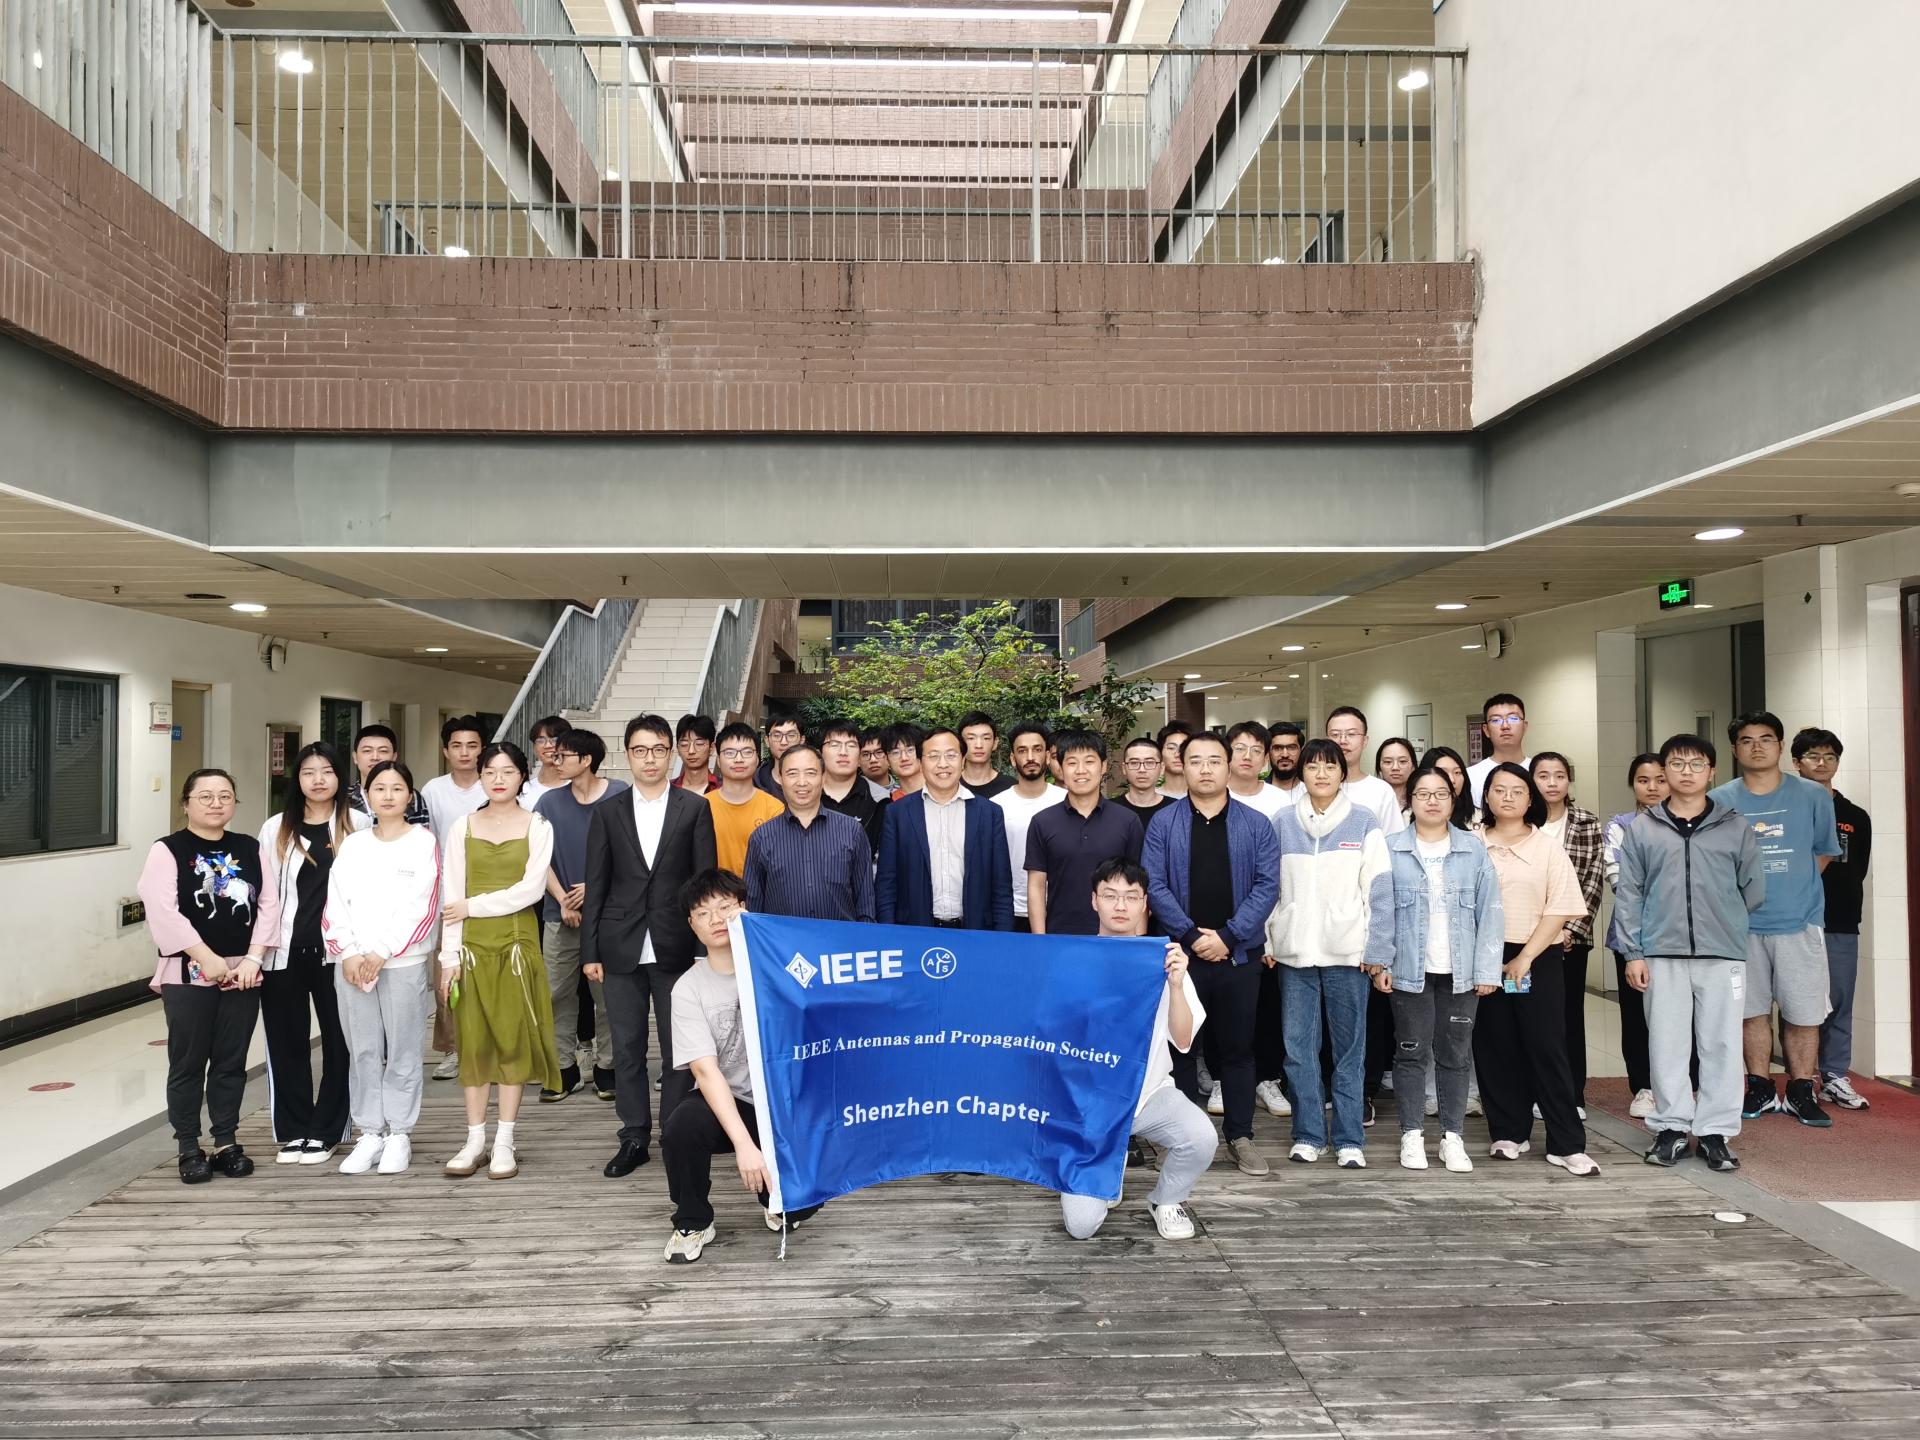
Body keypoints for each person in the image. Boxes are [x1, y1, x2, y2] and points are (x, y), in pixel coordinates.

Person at [1614, 734, 1765, 1173]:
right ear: (1665, 772)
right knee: (1667, 1043)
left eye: (1696, 764)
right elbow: (1630, 894)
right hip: (1661, 954)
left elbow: (1753, 888)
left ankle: (1716, 1132)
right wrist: (1634, 952)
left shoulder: (1735, 826)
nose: (1686, 772)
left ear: (1712, 772)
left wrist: (1724, 920)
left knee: (1722, 1043)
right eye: (1677, 764)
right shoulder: (1644, 828)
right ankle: (1671, 1127)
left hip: (1722, 954)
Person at [582, 714, 719, 1178]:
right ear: (628, 755)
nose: (650, 759)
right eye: (640, 750)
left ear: (671, 753)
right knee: (627, 1047)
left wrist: (704, 949)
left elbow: (703, 884)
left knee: (681, 1048)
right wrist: (590, 951)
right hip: (619, 945)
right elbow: (597, 885)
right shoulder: (608, 812)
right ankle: (634, 1135)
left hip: (676, 945)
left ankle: (675, 1133)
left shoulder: (694, 808)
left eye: (659, 749)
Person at [661, 871, 822, 1263]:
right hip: (731, 1101)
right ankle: (693, 1221)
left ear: (744, 908)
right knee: (682, 1125)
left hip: (783, 1103)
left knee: (798, 1208)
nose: (716, 919)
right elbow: (705, 1072)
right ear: (692, 925)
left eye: (725, 907)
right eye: (703, 913)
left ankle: (780, 1200)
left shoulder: (779, 966)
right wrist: (746, 1147)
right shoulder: (688, 988)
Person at [1142, 731, 1280, 1177]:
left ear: (1229, 766)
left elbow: (1267, 886)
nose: (1205, 769)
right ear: (1180, 766)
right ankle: (1178, 1138)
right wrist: (1189, 935)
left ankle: (1240, 1137)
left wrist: (1228, 936)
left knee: (1238, 1050)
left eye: (1214, 761)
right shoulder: (1163, 823)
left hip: (1238, 957)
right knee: (1181, 1050)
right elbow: (1154, 883)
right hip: (1180, 959)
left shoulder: (1256, 824)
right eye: (1196, 761)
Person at [1059, 859, 1219, 1240]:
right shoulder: (1071, 959)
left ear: (1145, 904)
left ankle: (1166, 1199)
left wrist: (1176, 985)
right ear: (1094, 900)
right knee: (1081, 1227)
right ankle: (1106, 1170)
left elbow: (1183, 1041)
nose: (1120, 906)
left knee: (1201, 1137)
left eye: (1131, 897)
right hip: (1090, 1106)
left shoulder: (1163, 960)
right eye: (1110, 895)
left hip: (1149, 1095)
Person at [137, 769, 279, 1184]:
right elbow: (162, 909)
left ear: (234, 802)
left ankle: (225, 1142)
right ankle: (188, 1146)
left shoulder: (249, 847)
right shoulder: (167, 850)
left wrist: (253, 958)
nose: (216, 803)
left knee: (231, 1061)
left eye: (225, 795)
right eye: (205, 796)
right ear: (186, 804)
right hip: (188, 972)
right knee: (188, 1062)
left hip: (243, 972)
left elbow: (269, 904)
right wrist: (205, 957)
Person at [436, 742, 562, 1180]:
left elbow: (531, 890)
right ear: (481, 777)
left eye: (508, 771)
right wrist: (449, 955)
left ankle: (505, 1139)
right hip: (470, 947)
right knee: (474, 1042)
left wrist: (473, 906)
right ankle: (474, 1139)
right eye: (490, 772)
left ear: (522, 775)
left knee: (511, 1041)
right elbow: (452, 895)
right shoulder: (463, 826)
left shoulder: (538, 825)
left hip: (515, 944)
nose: (498, 779)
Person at [1710, 711, 1841, 1127]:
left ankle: (1801, 1090)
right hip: (1742, 927)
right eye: (1747, 740)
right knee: (1750, 1012)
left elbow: (1824, 852)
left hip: (1800, 923)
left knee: (1804, 1013)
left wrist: (1792, 889)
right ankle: (1761, 1087)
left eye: (1766, 739)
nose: (1757, 747)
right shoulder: (1720, 799)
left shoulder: (1813, 795)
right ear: (1735, 750)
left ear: (1781, 746)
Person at [1268, 738, 1393, 1169]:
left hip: (1348, 954)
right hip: (1294, 953)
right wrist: (1268, 939)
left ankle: (1349, 1138)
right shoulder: (1283, 821)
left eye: (1329, 766)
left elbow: (1380, 890)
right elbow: (1268, 886)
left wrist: (1377, 949)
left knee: (1349, 1051)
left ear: (1343, 772)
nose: (1321, 774)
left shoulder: (1363, 820)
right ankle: (1308, 1134)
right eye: (1312, 766)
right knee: (1298, 1050)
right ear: (1301, 773)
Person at [1474, 763, 1598, 1175]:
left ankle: (1566, 1143)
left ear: (1531, 798)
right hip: (1484, 955)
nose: (1508, 797)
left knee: (1545, 1045)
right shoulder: (1472, 843)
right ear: (1487, 796)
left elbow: (1560, 907)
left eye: (1517, 790)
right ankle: (1508, 1132)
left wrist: (1525, 957)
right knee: (1496, 1045)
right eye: (1499, 789)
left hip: (1536, 955)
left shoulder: (1547, 847)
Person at [1382, 763, 1504, 1173]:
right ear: (1409, 800)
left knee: (1455, 1054)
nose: (1432, 801)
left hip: (1461, 973)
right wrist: (1380, 962)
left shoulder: (1472, 848)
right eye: (1423, 794)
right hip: (1407, 970)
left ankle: (1453, 1137)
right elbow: (1378, 911)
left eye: (1441, 794)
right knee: (1411, 1052)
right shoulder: (1391, 848)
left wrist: (1487, 971)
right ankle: (1412, 1134)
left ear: (1453, 801)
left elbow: (1490, 912)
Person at [322, 760, 441, 1176]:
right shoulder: (354, 844)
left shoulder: (422, 842)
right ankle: (370, 1131)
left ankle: (400, 1132)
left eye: (396, 788)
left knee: (404, 1048)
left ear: (410, 796)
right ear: (367, 795)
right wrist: (350, 952)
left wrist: (381, 952)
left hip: (402, 961)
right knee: (363, 1049)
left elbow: (421, 905)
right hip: (353, 963)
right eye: (379, 788)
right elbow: (335, 901)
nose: (388, 795)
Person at [256, 742, 369, 1164]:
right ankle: (294, 1130)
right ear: (297, 779)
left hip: (338, 953)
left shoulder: (358, 823)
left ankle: (327, 1130)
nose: (318, 780)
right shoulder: (276, 828)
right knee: (287, 1043)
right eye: (308, 772)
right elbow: (265, 895)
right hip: (284, 952)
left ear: (340, 776)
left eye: (326, 771)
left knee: (340, 1042)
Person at [535, 728, 628, 1103]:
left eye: (563, 756)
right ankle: (563, 1068)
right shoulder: (548, 803)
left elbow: (631, 852)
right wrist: (563, 900)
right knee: (555, 992)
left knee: (608, 994)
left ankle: (608, 1066)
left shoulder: (620, 794)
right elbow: (537, 857)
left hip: (609, 914)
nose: (555, 761)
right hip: (559, 913)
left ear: (587, 760)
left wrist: (595, 888)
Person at [1793, 727, 1874, 1111]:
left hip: (1840, 919)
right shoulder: (1788, 809)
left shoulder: (1855, 816)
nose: (1822, 763)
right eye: (1813, 756)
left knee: (1839, 1000)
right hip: (1794, 920)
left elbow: (1858, 868)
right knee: (1798, 1003)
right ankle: (1801, 1079)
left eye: (1830, 757)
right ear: (1797, 763)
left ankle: (1835, 1076)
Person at [876, 727, 1015, 929]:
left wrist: (1002, 937)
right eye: (933, 756)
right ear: (921, 762)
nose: (943, 764)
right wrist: (888, 933)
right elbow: (886, 884)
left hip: (976, 932)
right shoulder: (898, 813)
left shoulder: (989, 813)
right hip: (914, 931)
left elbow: (1001, 886)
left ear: (963, 760)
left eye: (951, 755)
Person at [1530, 753, 1604, 1112]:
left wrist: (1570, 929)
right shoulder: (1519, 821)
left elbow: (1593, 880)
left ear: (1569, 781)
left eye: (1559, 775)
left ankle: (1572, 1095)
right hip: (1524, 940)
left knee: (1568, 1016)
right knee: (1529, 1016)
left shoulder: (1586, 822)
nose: (1552, 783)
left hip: (1571, 941)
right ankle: (1532, 1092)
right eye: (1543, 775)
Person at [1603, 753, 1673, 1119]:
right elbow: (1621, 882)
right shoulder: (1620, 826)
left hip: (1680, 938)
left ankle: (1678, 1085)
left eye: (1660, 779)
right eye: (1644, 780)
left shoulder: (1688, 823)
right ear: (1633, 784)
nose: (1653, 787)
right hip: (1632, 938)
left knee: (1677, 1015)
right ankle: (1643, 1086)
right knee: (1636, 1017)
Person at [420, 715, 488, 1081]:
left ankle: (489, 1047)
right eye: (457, 746)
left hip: (488, 890)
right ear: (445, 751)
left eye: (472, 745)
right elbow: (426, 840)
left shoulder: (493, 783)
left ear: (482, 749)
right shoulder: (433, 790)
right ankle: (452, 1049)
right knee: (446, 972)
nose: (465, 753)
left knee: (488, 970)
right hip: (446, 893)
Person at [1026, 732, 1144, 936]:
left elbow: (1139, 886)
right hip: (1059, 935)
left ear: (1104, 766)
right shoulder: (1042, 822)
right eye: (1072, 763)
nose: (1081, 770)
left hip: (1114, 937)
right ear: (1060, 768)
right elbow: (1036, 886)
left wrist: (1137, 940)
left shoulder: (1128, 821)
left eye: (1089, 761)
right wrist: (1040, 940)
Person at [744, 744, 875, 922]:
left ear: (823, 777)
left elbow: (865, 904)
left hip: (839, 938)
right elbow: (753, 910)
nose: (802, 782)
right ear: (780, 779)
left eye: (811, 773)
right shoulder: (761, 838)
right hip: (783, 939)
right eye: (792, 773)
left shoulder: (852, 831)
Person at [992, 721, 1066, 932]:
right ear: (1012, 759)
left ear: (1048, 756)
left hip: (1059, 908)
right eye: (1022, 751)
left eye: (1037, 749)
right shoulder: (996, 806)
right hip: (1011, 911)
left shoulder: (1067, 800)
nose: (1030, 757)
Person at [708, 722, 787, 876]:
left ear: (757, 759)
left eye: (747, 752)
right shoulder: (702, 806)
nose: (739, 759)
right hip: (713, 890)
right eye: (730, 752)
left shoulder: (774, 809)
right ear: (718, 760)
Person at [1326, 707, 1405, 835]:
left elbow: (1394, 841)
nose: (1342, 741)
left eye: (1351, 734)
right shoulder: (1310, 787)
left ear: (1365, 741)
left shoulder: (1381, 791)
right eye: (1335, 735)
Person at [819, 719, 887, 856]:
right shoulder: (804, 794)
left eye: (851, 745)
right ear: (819, 753)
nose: (843, 752)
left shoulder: (881, 800)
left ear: (860, 754)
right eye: (834, 745)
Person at [346, 724, 430, 826]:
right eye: (367, 751)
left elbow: (420, 833)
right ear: (355, 757)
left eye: (383, 751)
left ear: (394, 757)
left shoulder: (410, 796)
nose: (375, 757)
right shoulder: (344, 797)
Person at [1467, 694, 1531, 806]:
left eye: (1513, 718)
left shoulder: (1540, 773)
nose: (1505, 726)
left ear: (1524, 726)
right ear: (1486, 730)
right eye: (1496, 720)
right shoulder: (1470, 777)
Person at [1225, 721, 1288, 823]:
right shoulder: (1212, 795)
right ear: (1227, 753)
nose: (1247, 756)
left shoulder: (1280, 800)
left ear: (1266, 759)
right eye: (1240, 748)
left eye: (1256, 750)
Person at [1113, 735, 1173, 826]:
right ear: (1124, 768)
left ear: (1161, 768)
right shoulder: (1109, 809)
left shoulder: (1177, 809)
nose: (1142, 769)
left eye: (1149, 763)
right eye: (1134, 763)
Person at [1419, 746, 1479, 832]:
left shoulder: (1479, 818)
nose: (1452, 780)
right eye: (1443, 773)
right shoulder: (1407, 817)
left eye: (1457, 772)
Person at [518, 715, 570, 811]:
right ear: (534, 747)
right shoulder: (522, 790)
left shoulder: (578, 788)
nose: (547, 745)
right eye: (540, 740)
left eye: (554, 740)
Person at [958, 710, 1014, 799]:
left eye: (986, 738)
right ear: (960, 743)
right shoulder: (949, 784)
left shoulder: (1011, 787)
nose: (979, 745)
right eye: (971, 738)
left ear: (995, 743)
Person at [754, 717, 803, 799]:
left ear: (802, 740)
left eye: (791, 735)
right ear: (767, 741)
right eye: (777, 735)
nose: (784, 742)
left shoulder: (816, 782)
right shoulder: (755, 783)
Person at [673, 714, 720, 793]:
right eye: (684, 744)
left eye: (699, 744)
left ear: (712, 748)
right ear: (678, 749)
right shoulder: (668, 790)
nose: (691, 751)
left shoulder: (724, 789)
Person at [1374, 737, 1418, 818]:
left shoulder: (1421, 801)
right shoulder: (1371, 800)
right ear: (1379, 768)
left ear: (1413, 766)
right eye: (1388, 762)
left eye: (1402, 761)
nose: (1395, 767)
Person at [885, 723, 927, 797]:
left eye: (910, 750)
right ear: (887, 760)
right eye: (896, 752)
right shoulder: (889, 802)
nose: (904, 758)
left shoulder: (943, 791)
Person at [858, 728, 897, 801]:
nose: (873, 760)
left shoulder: (903, 794)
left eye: (879, 752)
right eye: (865, 754)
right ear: (858, 761)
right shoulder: (852, 796)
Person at [1156, 722, 1191, 799]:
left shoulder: (1205, 797)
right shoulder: (1151, 798)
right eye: (1171, 748)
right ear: (1160, 752)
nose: (1177, 754)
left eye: (1183, 748)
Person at [1267, 723, 1304, 795]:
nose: (1285, 755)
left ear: (1301, 751)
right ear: (1268, 753)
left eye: (1291, 748)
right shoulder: (1256, 793)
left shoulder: (1312, 790)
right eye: (1277, 748)